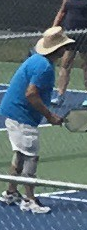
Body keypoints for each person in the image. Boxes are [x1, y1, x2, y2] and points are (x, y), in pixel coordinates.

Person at [0, 26, 75, 214]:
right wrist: (50, 116)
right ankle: (29, 200)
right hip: (22, 116)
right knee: (31, 158)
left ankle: (10, 192)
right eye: (63, 46)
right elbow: (31, 94)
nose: (66, 49)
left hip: (12, 113)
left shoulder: (36, 60)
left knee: (20, 153)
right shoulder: (44, 68)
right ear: (57, 49)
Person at [50, 0, 87, 107]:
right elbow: (62, 11)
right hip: (70, 33)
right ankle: (60, 96)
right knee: (65, 64)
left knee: (86, 64)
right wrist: (54, 28)